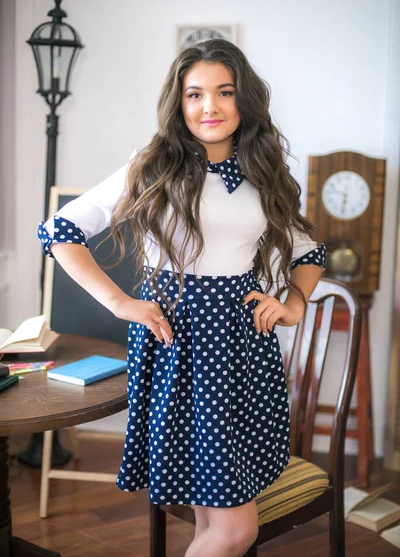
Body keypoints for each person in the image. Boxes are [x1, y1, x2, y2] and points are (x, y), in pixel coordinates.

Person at [37, 39, 326, 557]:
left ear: (246, 100)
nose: (209, 107)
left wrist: (295, 303)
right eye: (195, 94)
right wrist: (122, 304)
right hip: (181, 350)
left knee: (216, 520)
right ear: (179, 102)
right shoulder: (152, 165)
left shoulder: (265, 170)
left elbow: (307, 250)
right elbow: (60, 232)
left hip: (242, 351)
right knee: (236, 530)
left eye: (224, 92)